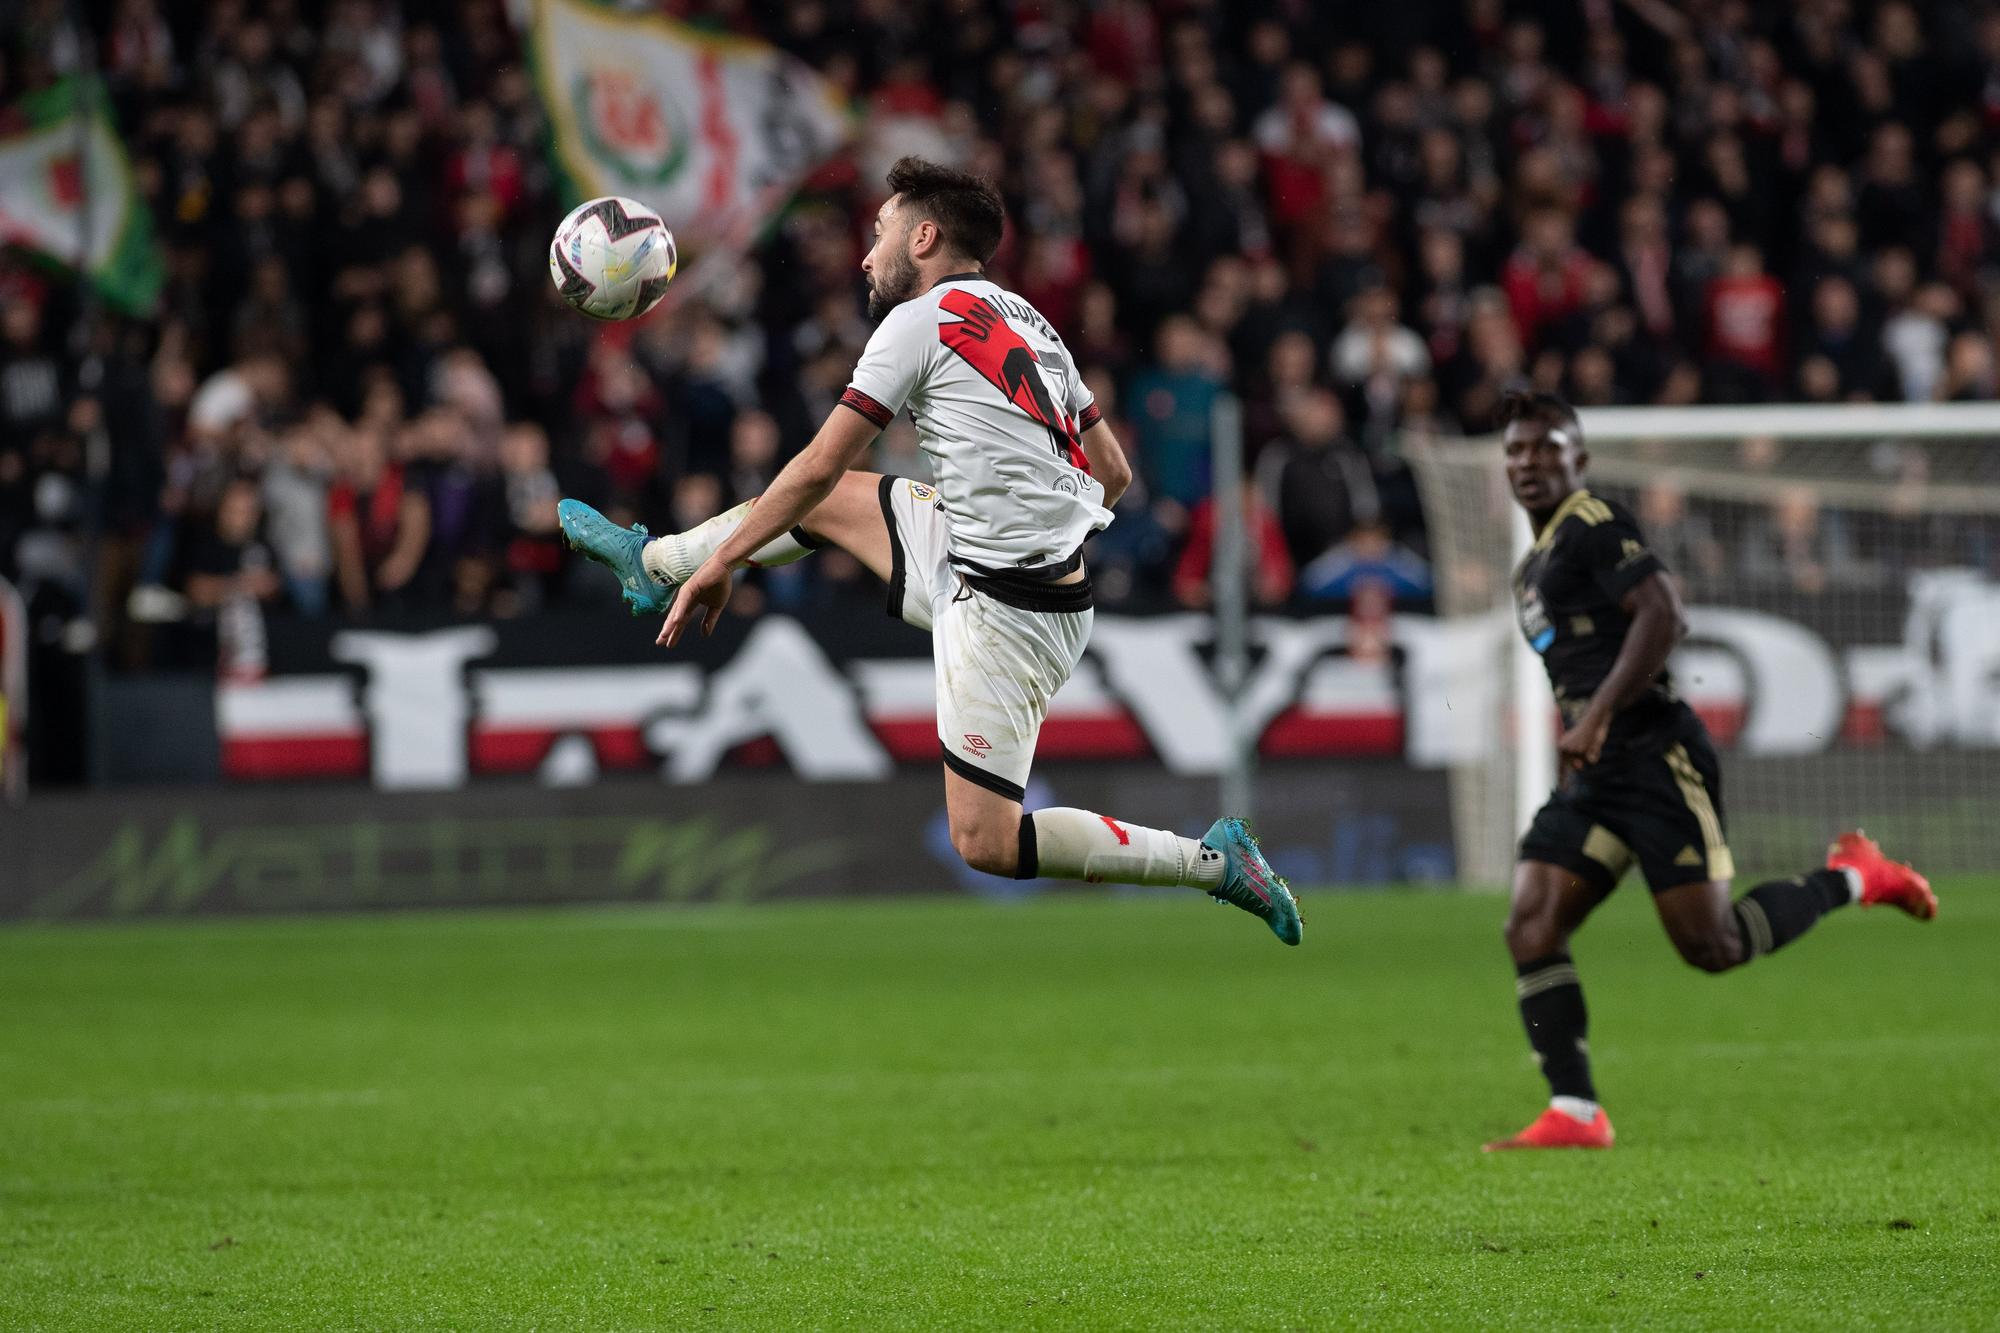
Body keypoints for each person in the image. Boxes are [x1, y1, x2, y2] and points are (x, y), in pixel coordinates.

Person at [556, 157, 1301, 946]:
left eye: (878, 233)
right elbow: (1112, 472)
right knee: (841, 505)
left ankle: (1212, 863)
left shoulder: (916, 322)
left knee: (984, 840)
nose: (865, 255)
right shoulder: (1031, 321)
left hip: (1010, 612)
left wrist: (724, 562)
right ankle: (653, 561)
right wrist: (1033, 524)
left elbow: (815, 462)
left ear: (924, 235)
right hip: (984, 554)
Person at [1486, 390, 1935, 1151]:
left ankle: (1855, 874)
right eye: (1518, 451)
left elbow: (1663, 613)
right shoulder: (1531, 567)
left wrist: (1594, 717)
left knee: (1713, 947)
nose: (1530, 463)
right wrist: (1582, 733)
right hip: (1596, 777)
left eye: (1546, 447)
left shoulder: (1594, 523)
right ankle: (1577, 1109)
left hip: (1657, 759)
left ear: (1580, 458)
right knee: (1530, 923)